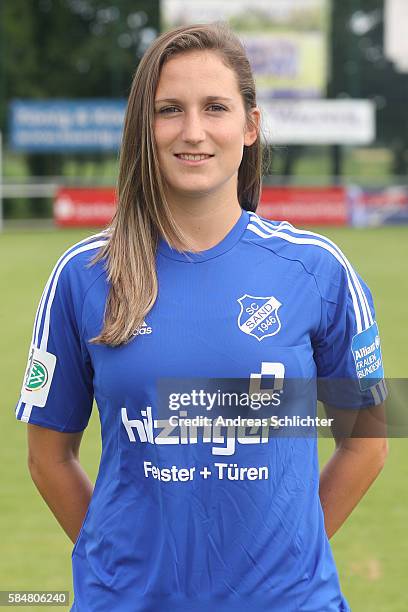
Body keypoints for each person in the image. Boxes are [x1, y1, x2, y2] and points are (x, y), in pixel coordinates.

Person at [16, 22, 388, 612]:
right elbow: (48, 457)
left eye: (215, 107)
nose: (193, 132)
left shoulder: (317, 271)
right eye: (169, 110)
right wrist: (118, 566)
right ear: (146, 126)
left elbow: (367, 439)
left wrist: (291, 553)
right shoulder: (84, 275)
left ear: (250, 126)